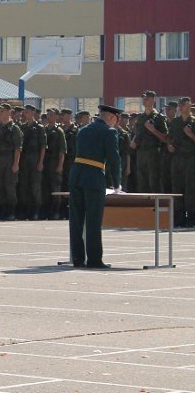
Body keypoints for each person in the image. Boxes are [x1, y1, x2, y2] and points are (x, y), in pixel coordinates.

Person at [68, 104, 122, 269]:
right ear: (112, 118)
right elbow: (114, 159)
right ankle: (94, 259)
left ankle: (77, 258)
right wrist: (116, 183)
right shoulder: (109, 131)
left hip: (76, 176)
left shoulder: (83, 130)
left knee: (76, 220)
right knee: (93, 220)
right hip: (93, 177)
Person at [0, 104, 22, 220]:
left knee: (10, 186)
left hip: (9, 158)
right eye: (0, 111)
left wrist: (16, 163)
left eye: (3, 111)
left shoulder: (14, 128)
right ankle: (2, 209)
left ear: (9, 112)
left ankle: (11, 210)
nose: (1, 113)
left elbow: (18, 148)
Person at [130, 91, 168, 193]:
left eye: (146, 98)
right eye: (143, 98)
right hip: (141, 152)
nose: (144, 100)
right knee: (142, 182)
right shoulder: (140, 118)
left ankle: (155, 207)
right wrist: (133, 141)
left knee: (154, 182)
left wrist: (153, 130)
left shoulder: (159, 118)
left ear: (153, 100)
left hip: (153, 153)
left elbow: (166, 138)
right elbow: (137, 133)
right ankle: (144, 208)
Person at [167, 97, 195, 228]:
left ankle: (191, 219)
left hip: (190, 158)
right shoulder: (175, 122)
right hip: (177, 158)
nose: (181, 106)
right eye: (180, 104)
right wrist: (169, 145)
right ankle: (178, 219)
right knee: (177, 189)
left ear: (189, 106)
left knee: (190, 189)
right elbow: (169, 138)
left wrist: (190, 135)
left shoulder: (193, 122)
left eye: (184, 104)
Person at [17, 105, 46, 220]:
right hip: (24, 159)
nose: (26, 114)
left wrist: (41, 162)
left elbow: (43, 146)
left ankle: (36, 211)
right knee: (24, 185)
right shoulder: (22, 127)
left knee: (35, 186)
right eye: (25, 112)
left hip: (35, 158)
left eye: (28, 112)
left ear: (33, 113)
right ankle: (26, 210)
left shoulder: (39, 128)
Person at [41, 109, 66, 219]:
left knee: (55, 188)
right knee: (45, 188)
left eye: (51, 115)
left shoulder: (59, 131)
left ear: (56, 116)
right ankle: (47, 210)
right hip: (46, 161)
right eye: (48, 114)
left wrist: (60, 165)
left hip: (55, 162)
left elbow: (62, 150)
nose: (49, 116)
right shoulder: (44, 130)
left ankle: (56, 211)